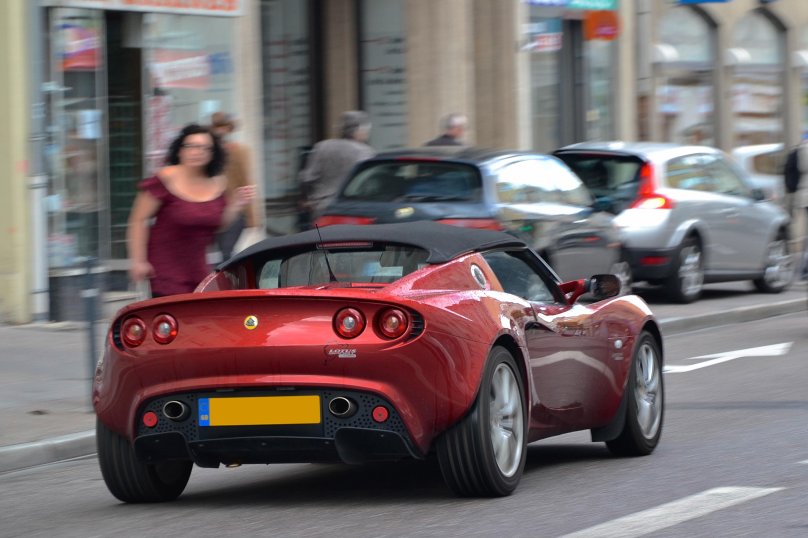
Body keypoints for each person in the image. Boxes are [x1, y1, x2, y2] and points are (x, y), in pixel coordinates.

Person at [127, 123, 255, 297]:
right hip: (165, 270)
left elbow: (219, 224)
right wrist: (138, 261)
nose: (197, 152)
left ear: (212, 154)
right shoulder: (165, 178)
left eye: (205, 148)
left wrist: (237, 204)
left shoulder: (218, 185)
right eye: (191, 146)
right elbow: (138, 220)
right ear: (180, 150)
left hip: (199, 269)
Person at [299, 110, 374, 221]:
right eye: (366, 130)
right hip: (351, 210)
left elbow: (306, 178)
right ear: (358, 131)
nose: (367, 134)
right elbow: (369, 184)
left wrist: (307, 198)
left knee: (321, 238)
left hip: (321, 209)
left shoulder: (322, 147)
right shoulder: (366, 152)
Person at [210, 112, 261, 260]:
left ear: (229, 129)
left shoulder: (239, 151)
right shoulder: (209, 152)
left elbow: (246, 181)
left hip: (236, 210)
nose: (220, 131)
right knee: (220, 252)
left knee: (226, 251)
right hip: (215, 209)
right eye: (217, 127)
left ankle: (229, 282)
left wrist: (252, 217)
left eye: (223, 127)